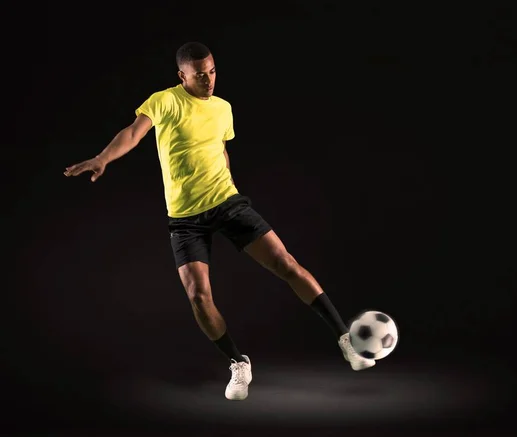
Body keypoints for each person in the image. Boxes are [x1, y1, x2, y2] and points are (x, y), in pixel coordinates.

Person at [64, 41, 375, 401]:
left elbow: (220, 148)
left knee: (286, 263)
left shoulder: (224, 109)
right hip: (185, 219)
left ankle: (346, 341)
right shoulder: (165, 101)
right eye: (200, 75)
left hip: (227, 203)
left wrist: (227, 183)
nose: (209, 80)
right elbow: (134, 132)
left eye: (212, 71)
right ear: (182, 76)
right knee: (198, 296)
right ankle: (238, 363)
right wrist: (103, 158)